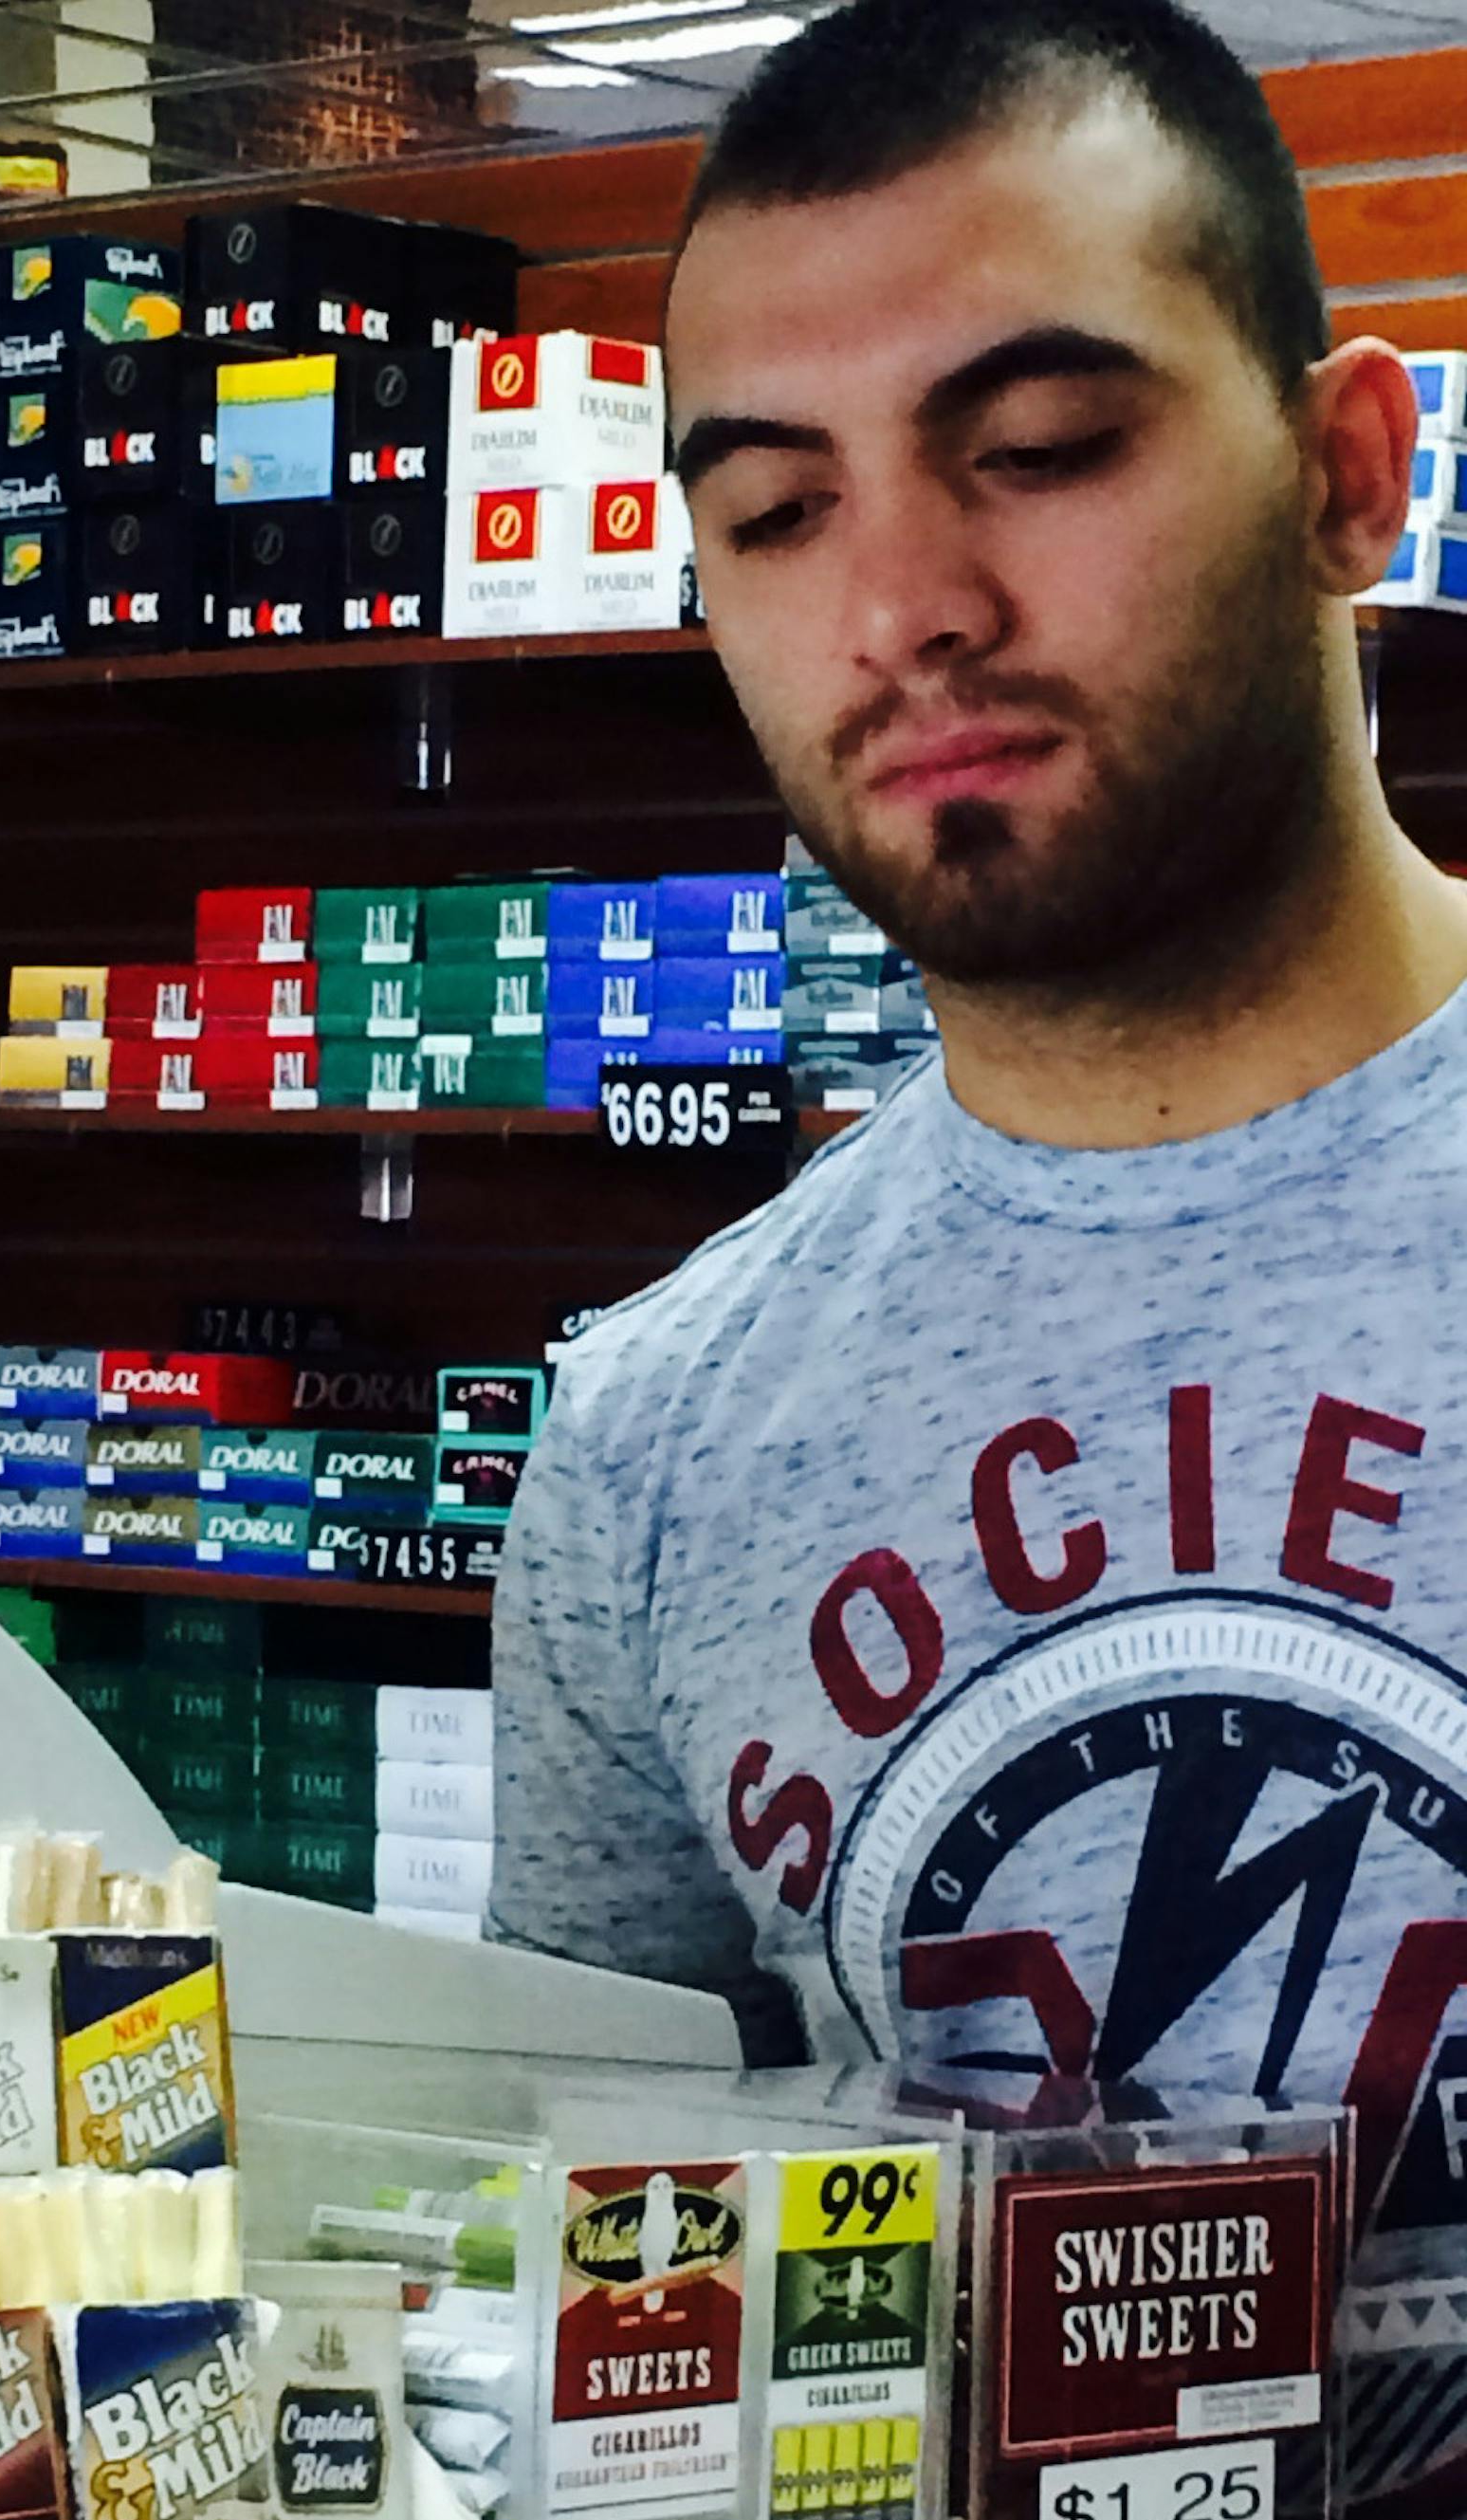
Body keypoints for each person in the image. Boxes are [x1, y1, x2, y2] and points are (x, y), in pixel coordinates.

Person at [489, 0, 1467, 2247]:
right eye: (779, 508)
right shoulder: (651, 1445)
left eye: (1034, 444)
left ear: (1348, 471)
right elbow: (594, 2302)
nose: (907, 605)